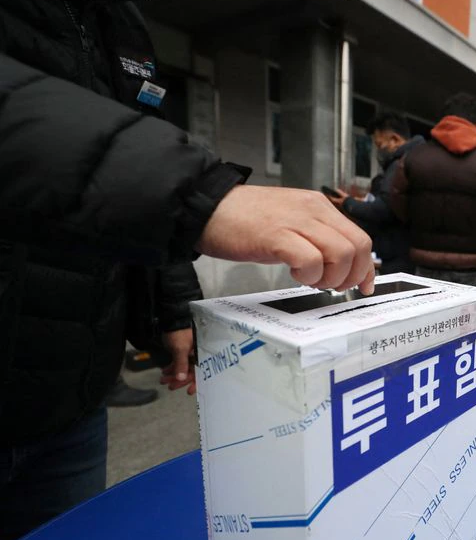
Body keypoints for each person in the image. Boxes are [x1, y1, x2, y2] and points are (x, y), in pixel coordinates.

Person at [0, 6, 373, 539]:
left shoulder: (121, 21)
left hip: (75, 399)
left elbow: (125, 199)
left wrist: (173, 309)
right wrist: (198, 195)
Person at [390, 93, 476, 287]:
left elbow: (397, 201)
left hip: (424, 256)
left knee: (427, 314)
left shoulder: (412, 158)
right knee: (467, 316)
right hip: (474, 260)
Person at [327, 113, 423, 274]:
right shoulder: (416, 159)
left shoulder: (400, 165)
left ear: (394, 140)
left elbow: (384, 209)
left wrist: (348, 203)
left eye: (379, 145)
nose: (378, 151)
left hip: (400, 255)